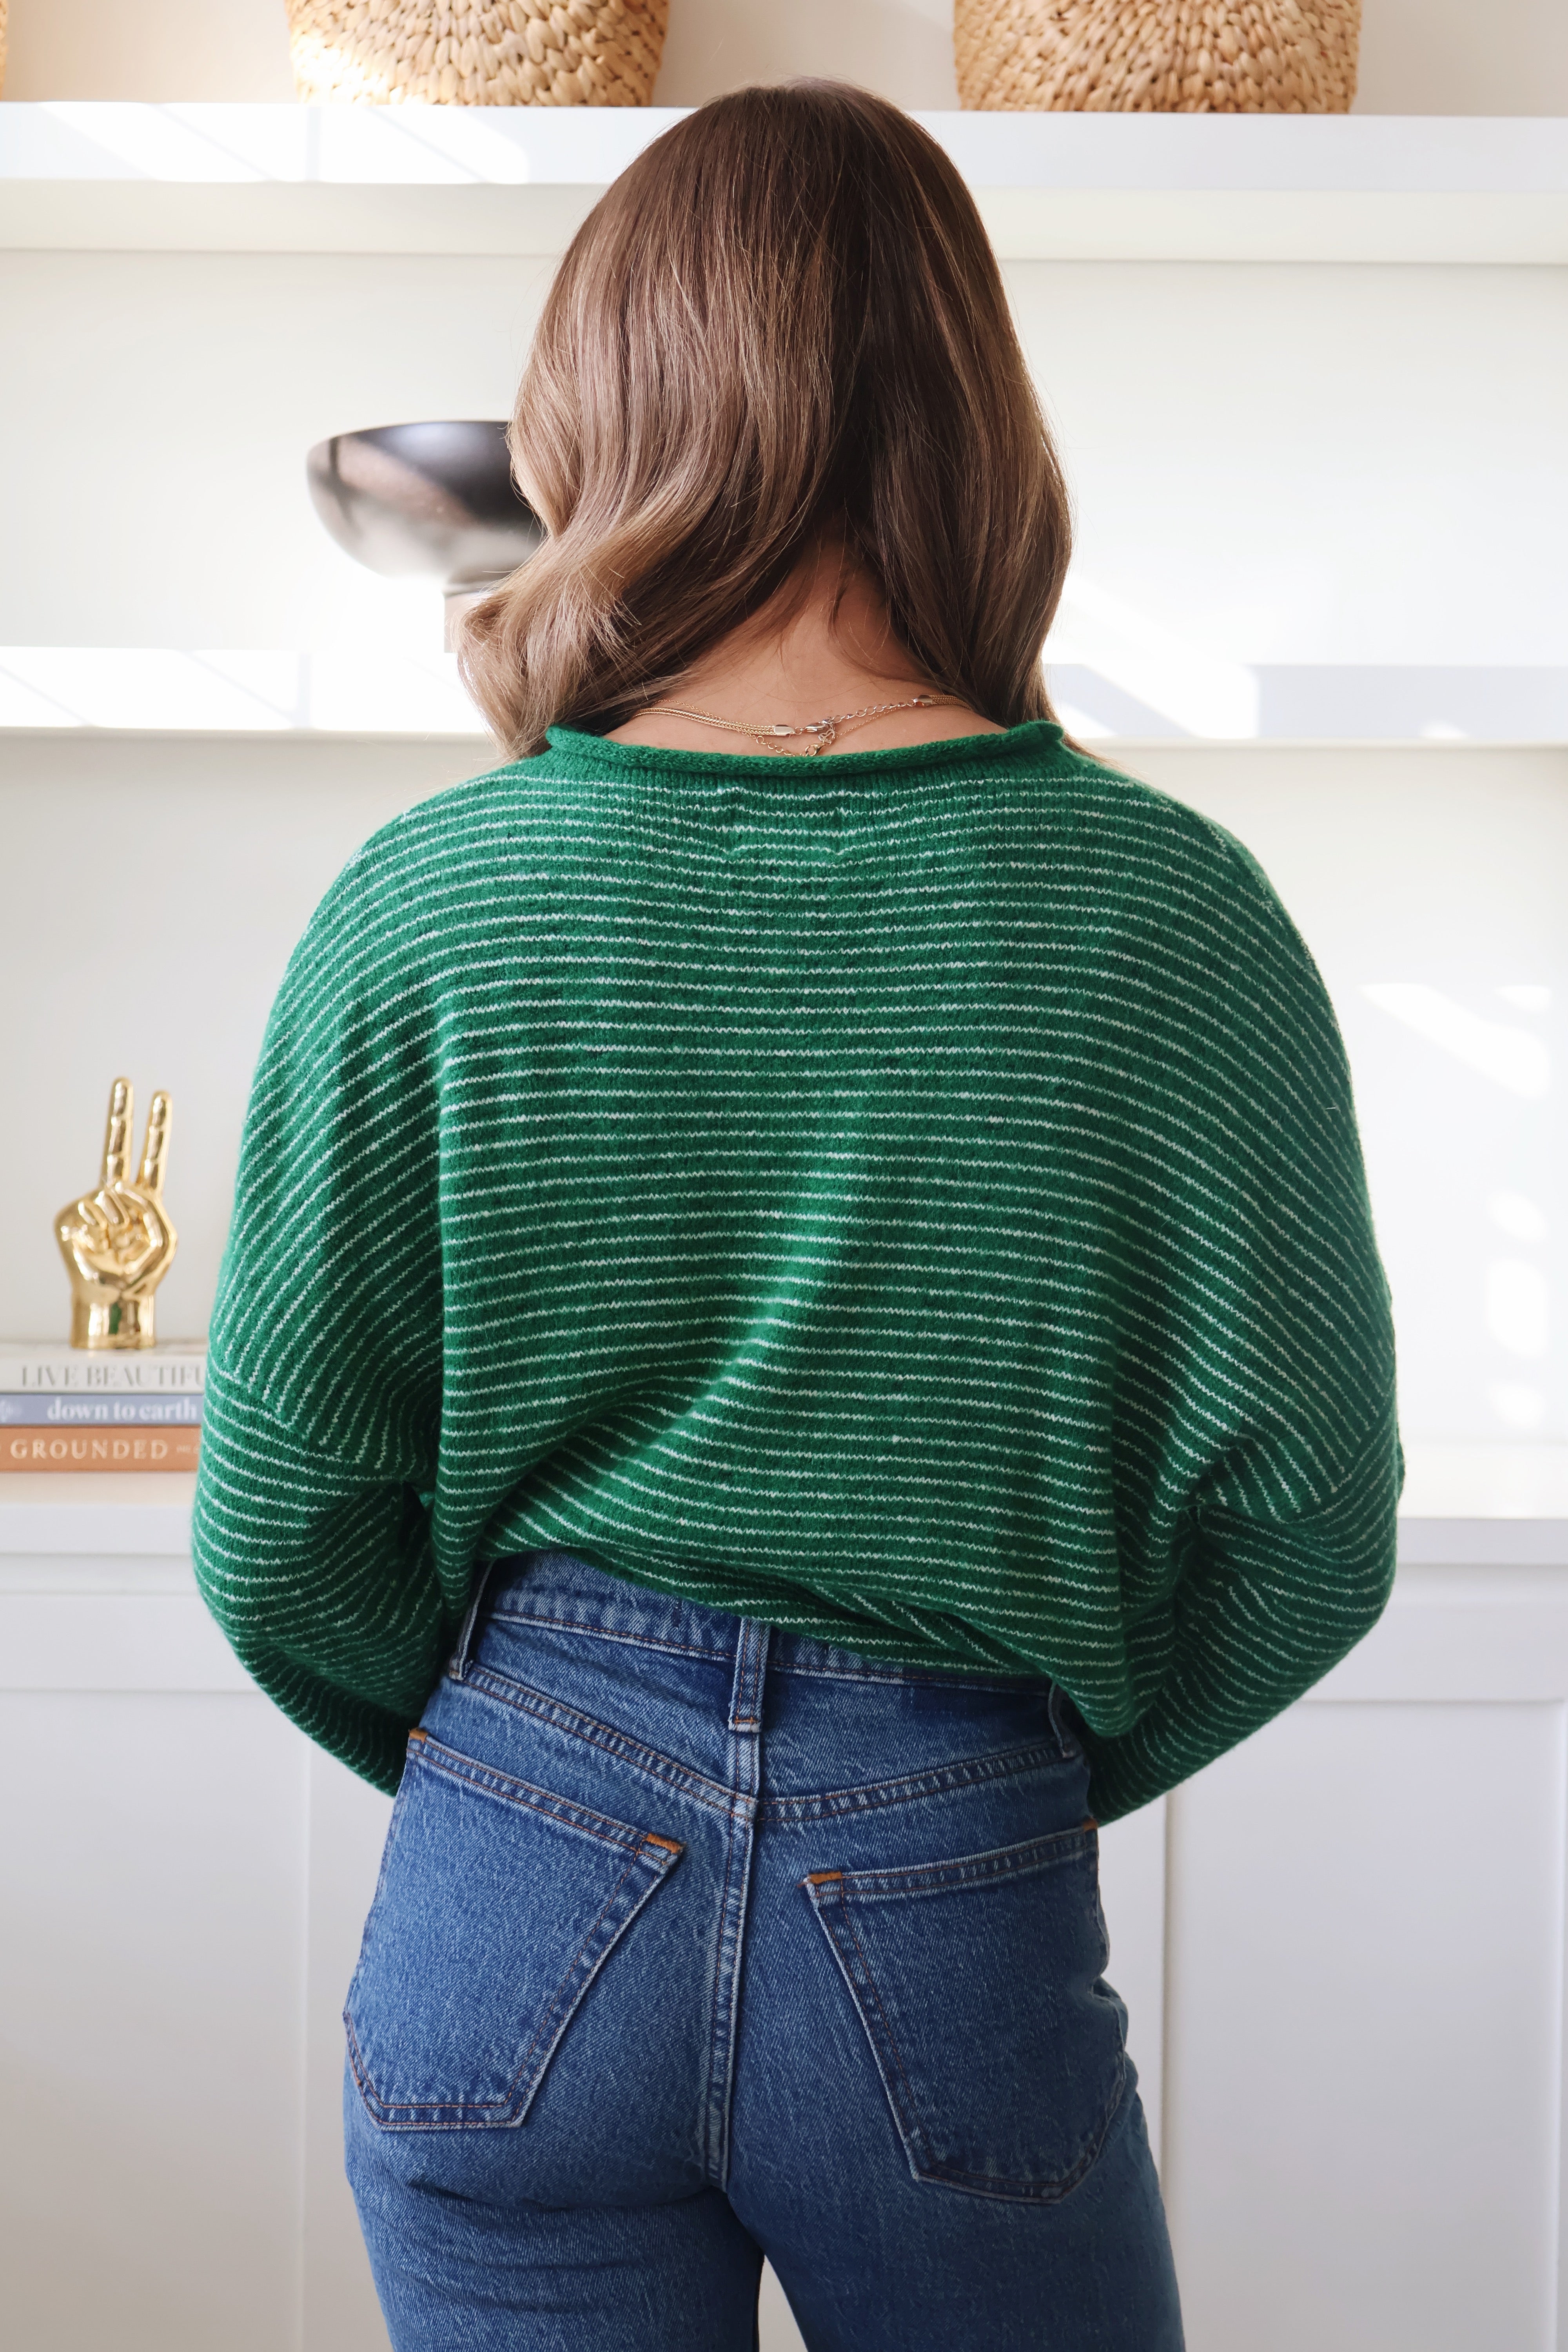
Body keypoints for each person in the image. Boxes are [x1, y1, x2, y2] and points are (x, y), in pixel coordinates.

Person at [192, 79, 1399, 2352]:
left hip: (511, 1859)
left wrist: (520, 1765)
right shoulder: (1173, 919)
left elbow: (280, 1530)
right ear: (980, 421)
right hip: (952, 1859)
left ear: (599, 414)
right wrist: (987, 1778)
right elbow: (1311, 1535)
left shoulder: (428, 904)